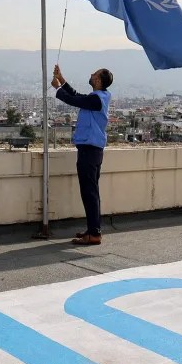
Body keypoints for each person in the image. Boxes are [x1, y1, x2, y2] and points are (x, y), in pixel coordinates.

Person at [51, 64, 113, 245]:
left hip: (90, 149)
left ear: (98, 80)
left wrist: (58, 89)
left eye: (94, 73)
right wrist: (61, 79)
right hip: (93, 149)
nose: (91, 74)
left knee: (89, 193)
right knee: (91, 192)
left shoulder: (96, 100)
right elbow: (78, 95)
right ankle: (93, 229)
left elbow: (75, 101)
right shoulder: (99, 97)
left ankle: (94, 234)